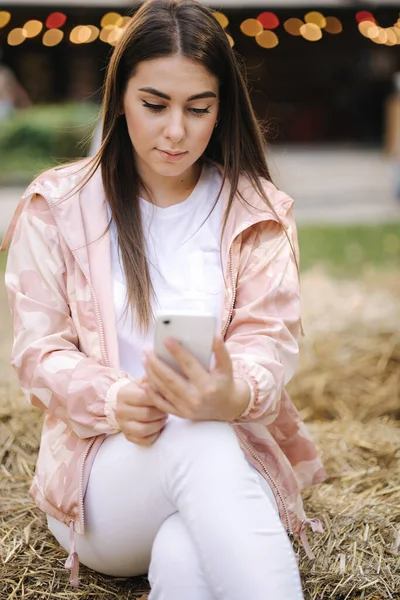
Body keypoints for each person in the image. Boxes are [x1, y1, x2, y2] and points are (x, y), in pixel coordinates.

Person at [1, 0, 327, 598]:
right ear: (120, 98)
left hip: (221, 466)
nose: (176, 131)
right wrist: (115, 398)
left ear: (222, 109)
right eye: (154, 105)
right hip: (103, 480)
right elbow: (36, 352)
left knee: (186, 556)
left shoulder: (255, 212)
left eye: (198, 109)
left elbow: (268, 340)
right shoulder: (60, 206)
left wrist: (233, 393)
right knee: (196, 436)